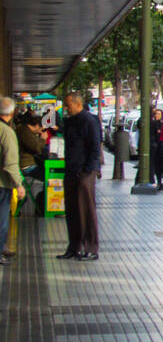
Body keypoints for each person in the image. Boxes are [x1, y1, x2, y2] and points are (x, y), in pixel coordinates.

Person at [59, 92, 102, 262]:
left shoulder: (89, 121)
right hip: (71, 171)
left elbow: (94, 147)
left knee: (86, 210)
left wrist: (88, 171)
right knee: (72, 211)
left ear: (78, 104)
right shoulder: (69, 122)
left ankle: (91, 248)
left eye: (68, 105)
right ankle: (74, 247)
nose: (66, 108)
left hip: (84, 172)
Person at [0, 97, 28, 264]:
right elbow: (10, 162)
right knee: (2, 220)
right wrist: (19, 185)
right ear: (11, 113)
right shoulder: (7, 132)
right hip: (2, 184)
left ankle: (2, 246)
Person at [149, 108, 163, 190]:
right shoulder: (153, 124)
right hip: (155, 146)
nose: (157, 115)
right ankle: (159, 182)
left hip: (162, 146)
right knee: (157, 165)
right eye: (156, 114)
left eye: (158, 114)